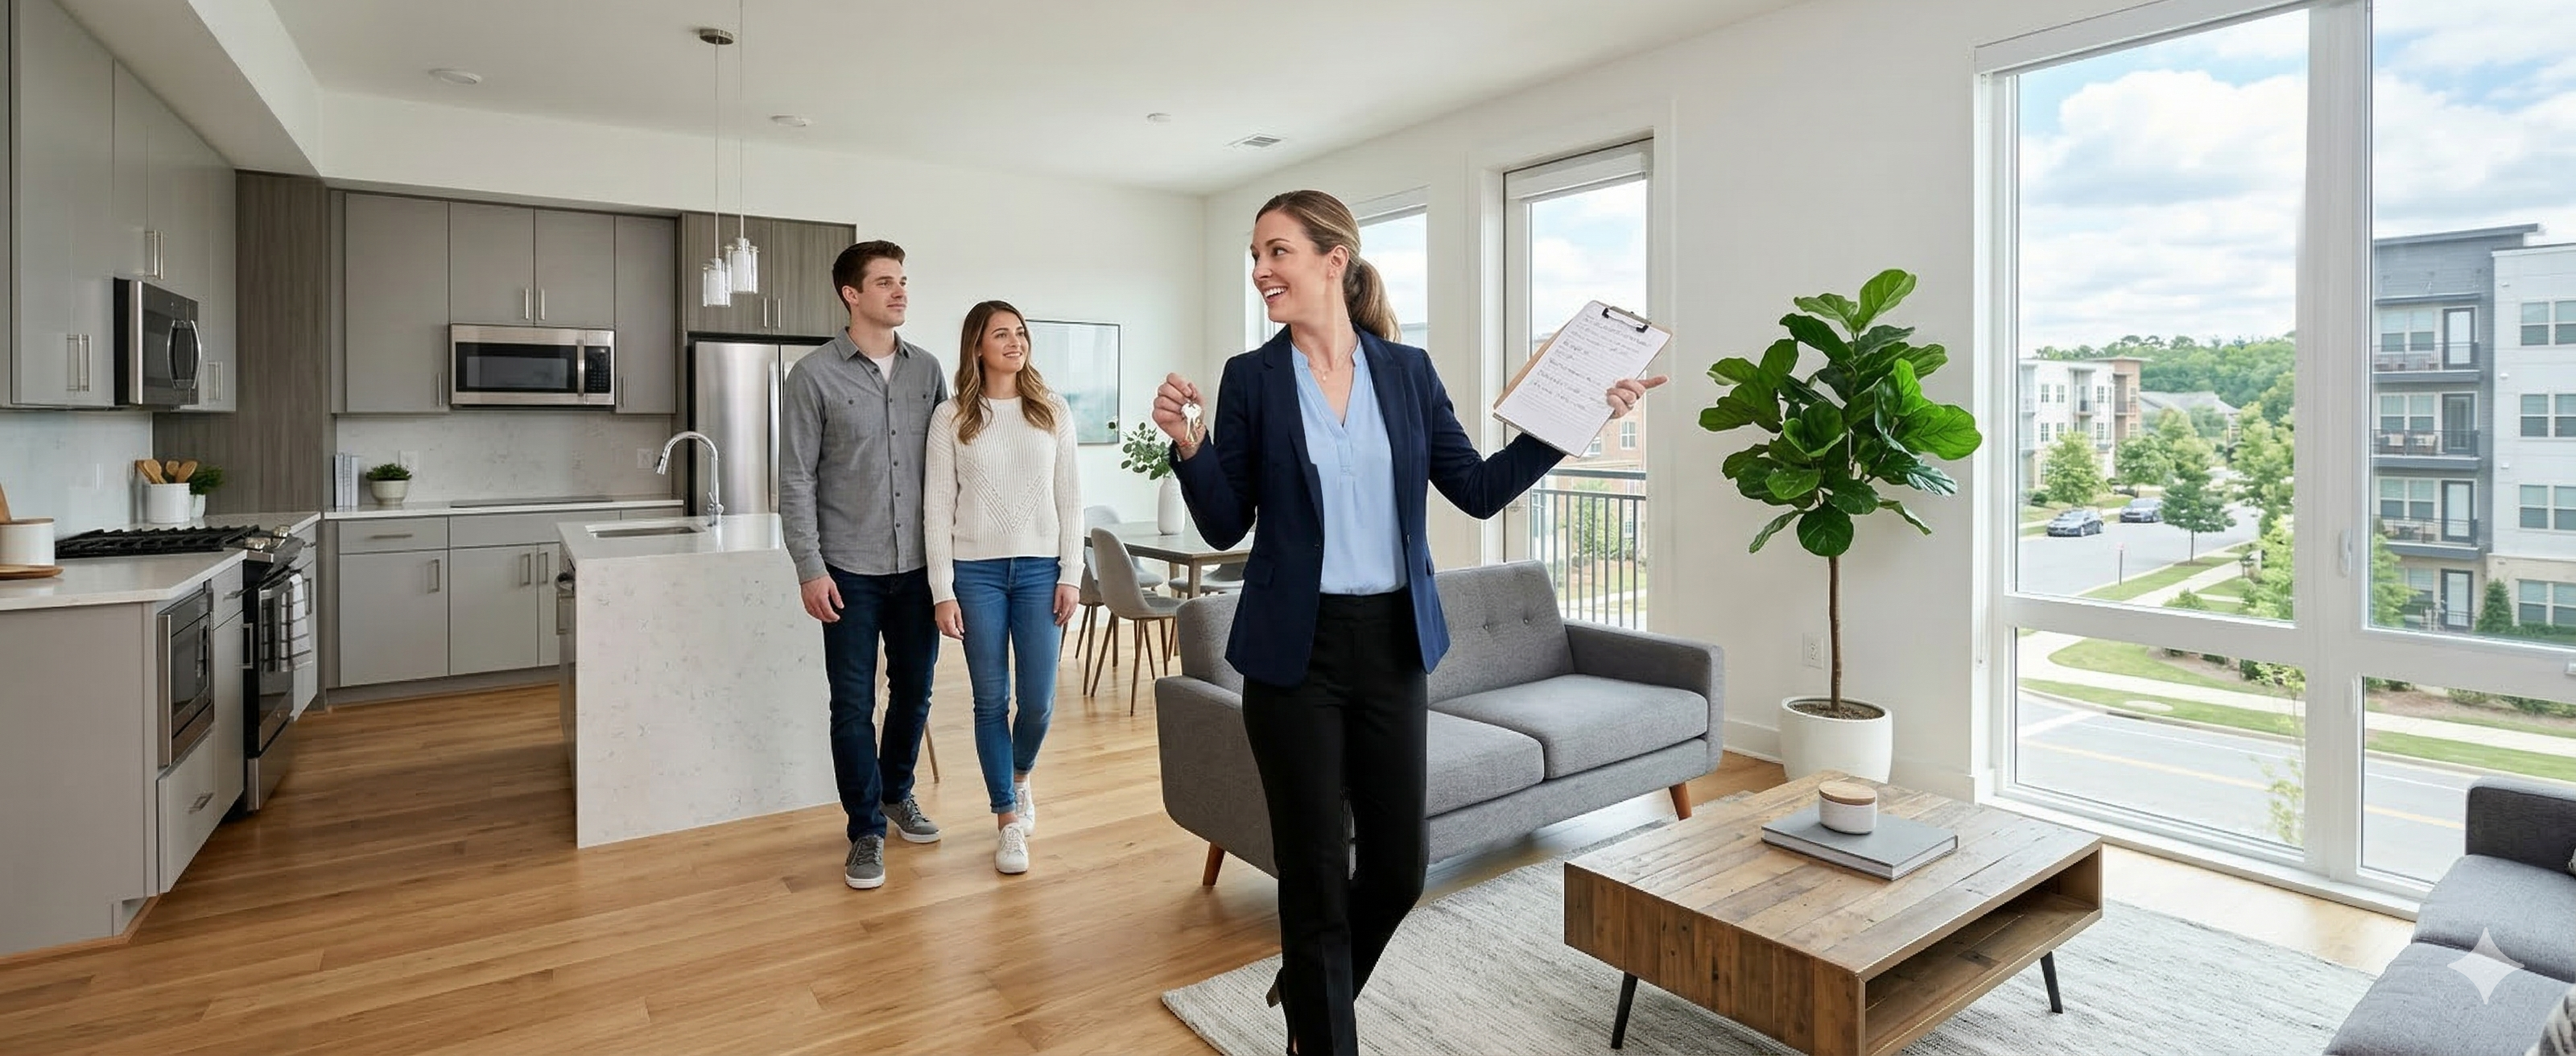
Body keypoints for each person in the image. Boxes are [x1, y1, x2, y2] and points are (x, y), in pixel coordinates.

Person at [1152, 190, 1663, 1056]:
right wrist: (1191, 446)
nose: (1260, 269)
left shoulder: (1406, 372)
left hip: (1391, 646)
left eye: (1277, 251)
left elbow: (1478, 486)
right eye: (1255, 254)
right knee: (1312, 874)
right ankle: (1320, 1032)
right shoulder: (1251, 379)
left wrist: (1583, 419)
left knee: (1396, 868)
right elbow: (1222, 523)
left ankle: (1310, 980)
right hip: (1291, 655)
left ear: (1331, 261)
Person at [779, 240, 951, 892]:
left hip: (918, 570)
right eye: (885, 282)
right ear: (852, 294)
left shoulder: (928, 370)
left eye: (903, 280)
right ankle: (865, 832)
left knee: (916, 691)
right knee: (852, 704)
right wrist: (809, 567)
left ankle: (896, 793)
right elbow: (794, 480)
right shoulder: (813, 376)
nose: (900, 292)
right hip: (847, 568)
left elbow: (946, 471)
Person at [923, 300, 1083, 876]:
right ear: (978, 347)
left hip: (1042, 571)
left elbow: (1071, 501)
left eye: (1020, 333)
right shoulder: (950, 418)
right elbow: (936, 509)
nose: (1015, 342)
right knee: (992, 700)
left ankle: (1020, 779)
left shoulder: (1053, 410)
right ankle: (1007, 822)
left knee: (1038, 701)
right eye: (1001, 334)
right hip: (977, 575)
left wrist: (1071, 575)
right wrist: (943, 589)